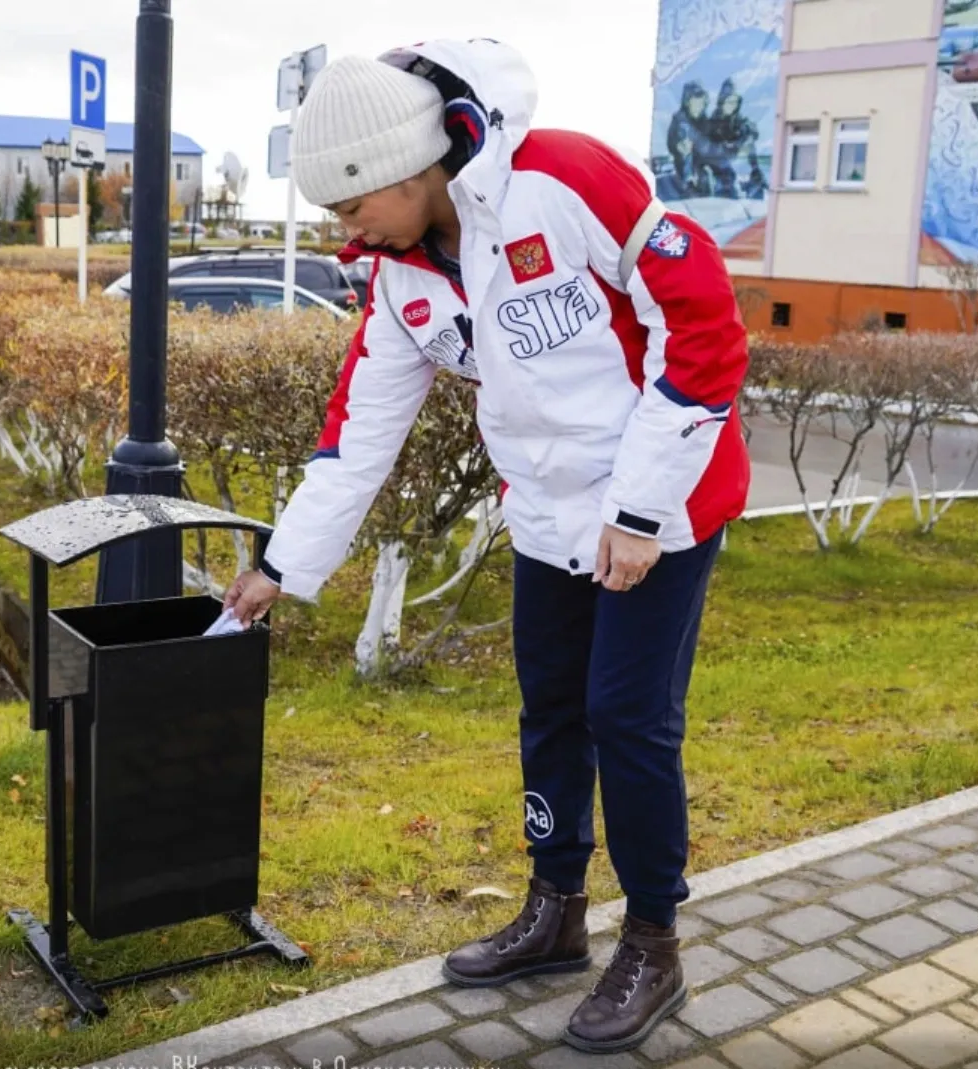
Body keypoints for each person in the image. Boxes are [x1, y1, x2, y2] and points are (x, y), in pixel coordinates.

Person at [219, 39, 749, 1054]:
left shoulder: (561, 179)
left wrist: (638, 513)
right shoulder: (398, 280)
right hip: (550, 517)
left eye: (353, 205)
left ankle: (653, 941)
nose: (349, 231)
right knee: (551, 708)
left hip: (664, 497)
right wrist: (280, 566)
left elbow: (705, 330)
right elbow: (357, 434)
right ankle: (554, 910)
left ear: (410, 169)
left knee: (627, 718)